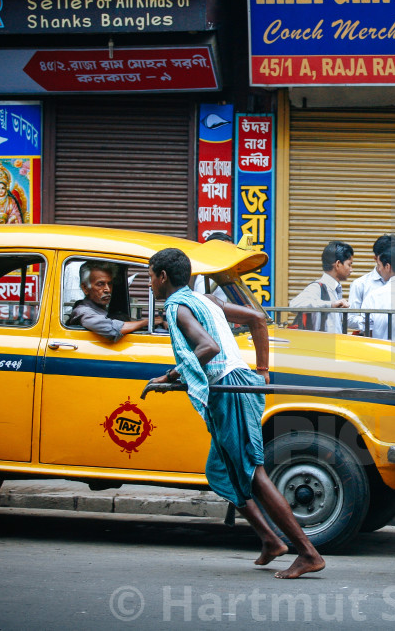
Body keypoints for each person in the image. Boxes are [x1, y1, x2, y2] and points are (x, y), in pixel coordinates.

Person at [141, 248, 324, 579]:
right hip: (238, 382)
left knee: (253, 472)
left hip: (228, 387)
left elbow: (207, 347)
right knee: (221, 470)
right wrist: (262, 369)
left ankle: (308, 552)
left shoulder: (177, 306)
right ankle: (270, 540)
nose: (149, 283)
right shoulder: (208, 300)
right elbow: (257, 318)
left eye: (151, 276)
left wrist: (173, 375)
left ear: (163, 277)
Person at [68, 261, 152, 341]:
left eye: (110, 283)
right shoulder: (84, 312)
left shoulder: (99, 310)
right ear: (85, 288)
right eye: (100, 284)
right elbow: (112, 329)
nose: (107, 289)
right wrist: (147, 322)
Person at [289, 240, 353, 333]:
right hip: (322, 345)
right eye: (349, 264)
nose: (351, 270)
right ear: (338, 264)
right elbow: (294, 305)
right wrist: (330, 305)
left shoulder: (335, 289)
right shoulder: (317, 287)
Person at [347, 234, 395, 333]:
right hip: (369, 342)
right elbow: (350, 319)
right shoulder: (360, 284)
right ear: (375, 259)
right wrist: (373, 322)